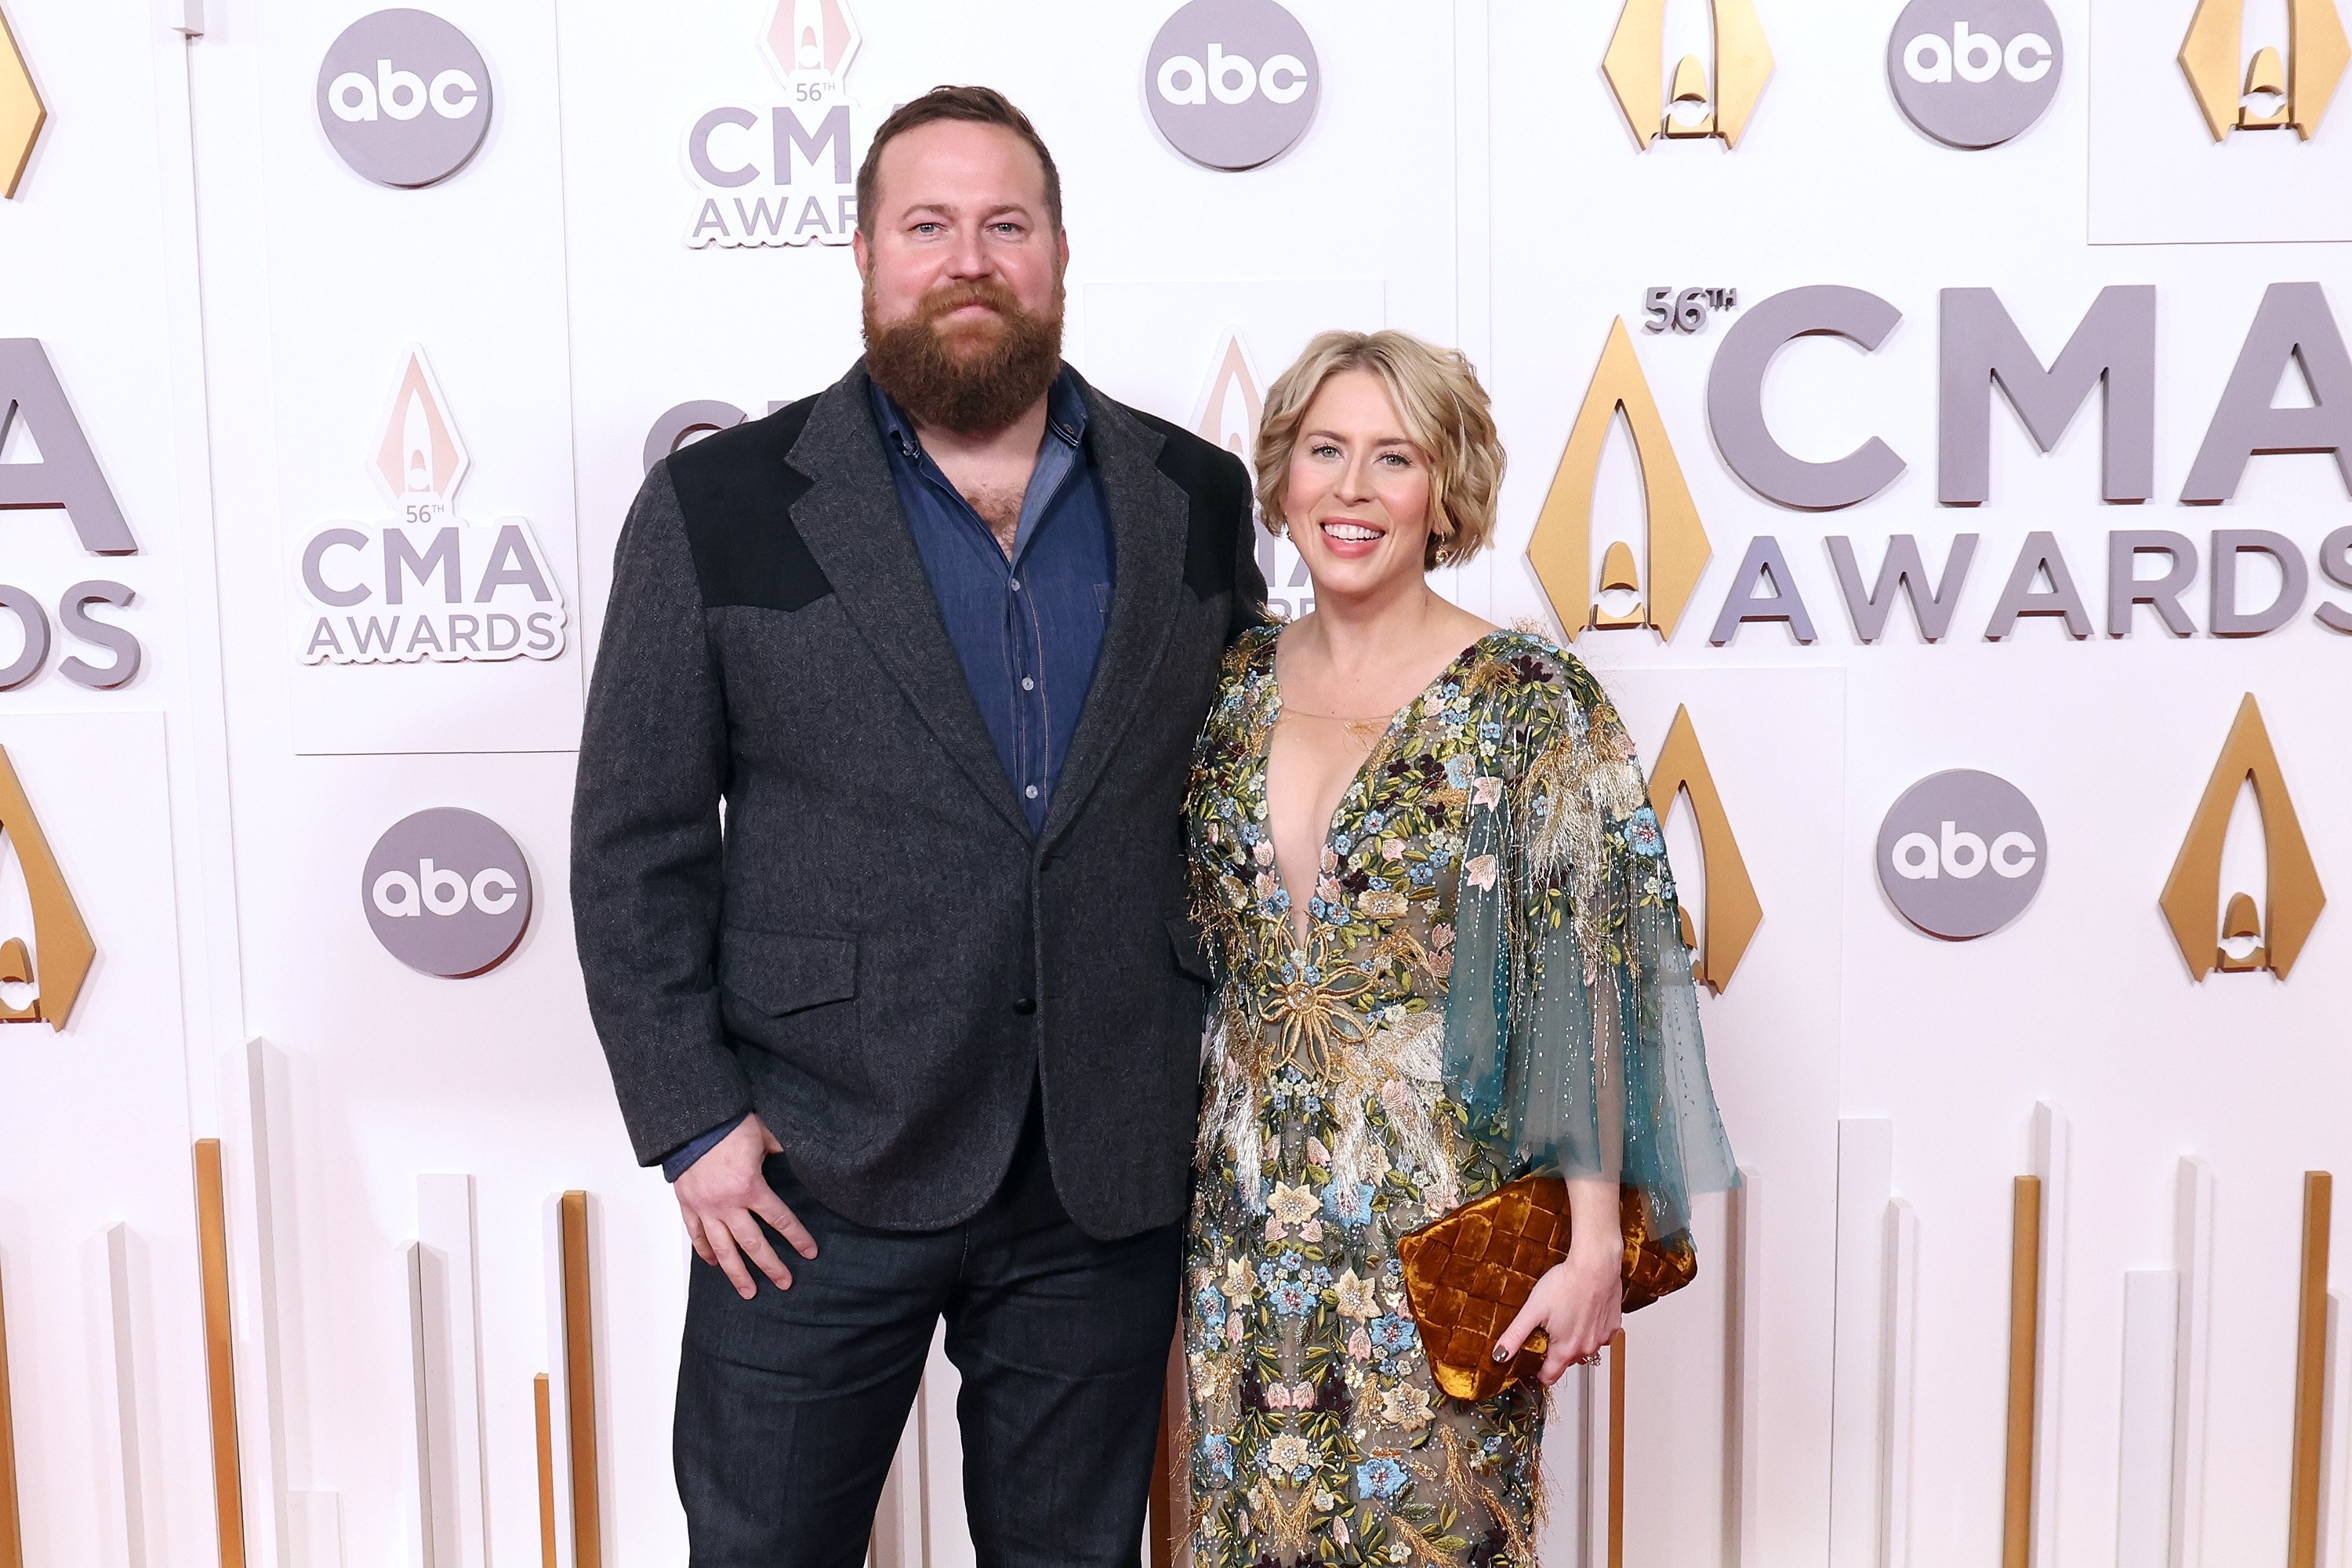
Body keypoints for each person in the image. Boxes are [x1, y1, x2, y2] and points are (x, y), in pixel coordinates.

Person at [572, 85, 1265, 1563]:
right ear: (869, 257)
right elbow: (633, 839)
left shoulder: (1195, 500)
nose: (968, 258)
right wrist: (695, 1123)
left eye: (1004, 225)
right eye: (928, 225)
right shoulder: (723, 501)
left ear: (1061, 255)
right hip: (810, 1170)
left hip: (1103, 1170)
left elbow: (1242, 794)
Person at [1178, 331, 1737, 1564]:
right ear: (1280, 475)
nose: (1352, 489)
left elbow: (1596, 974)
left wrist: (1595, 1243)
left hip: (1439, 1231)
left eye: (1395, 458)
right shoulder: (1225, 688)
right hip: (1245, 1229)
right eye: (1326, 451)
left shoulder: (1525, 695)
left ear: (1447, 491)